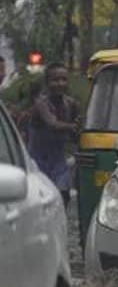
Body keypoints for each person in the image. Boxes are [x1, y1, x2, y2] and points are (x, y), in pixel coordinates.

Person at [27, 62, 78, 205]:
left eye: (64, 79)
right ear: (47, 83)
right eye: (55, 80)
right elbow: (52, 124)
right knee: (40, 202)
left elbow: (75, 133)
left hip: (59, 163)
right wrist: (72, 126)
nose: (60, 83)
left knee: (63, 198)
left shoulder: (71, 104)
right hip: (38, 163)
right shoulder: (41, 104)